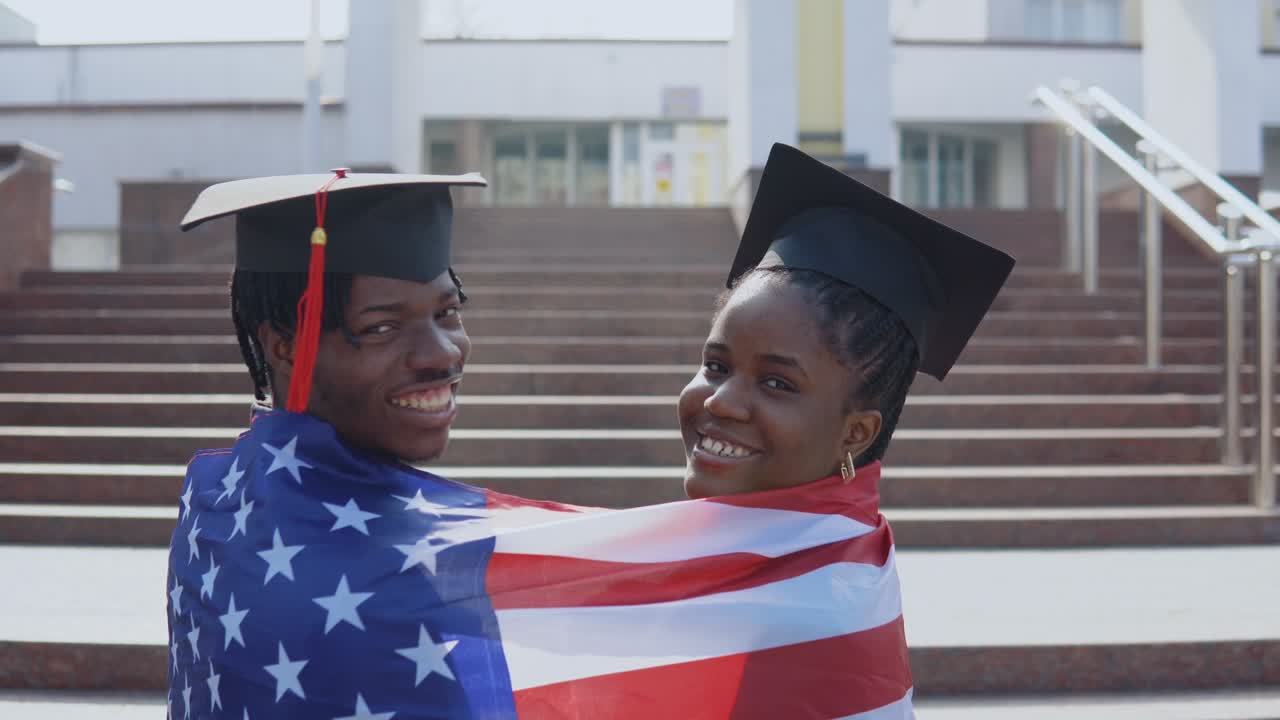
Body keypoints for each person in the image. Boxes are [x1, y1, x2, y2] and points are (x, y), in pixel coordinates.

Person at [676, 143, 1015, 715]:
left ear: (856, 433)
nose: (722, 401)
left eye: (777, 382)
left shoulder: (804, 617)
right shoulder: (816, 554)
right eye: (716, 365)